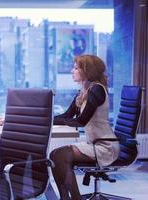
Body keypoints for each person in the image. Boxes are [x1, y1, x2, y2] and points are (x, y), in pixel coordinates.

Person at [50, 55, 120, 200]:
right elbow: (68, 115)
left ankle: (75, 198)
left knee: (60, 155)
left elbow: (81, 121)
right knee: (54, 155)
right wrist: (46, 120)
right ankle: (65, 198)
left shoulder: (96, 90)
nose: (71, 71)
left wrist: (51, 122)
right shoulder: (84, 90)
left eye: (76, 68)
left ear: (87, 71)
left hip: (104, 146)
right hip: (93, 143)